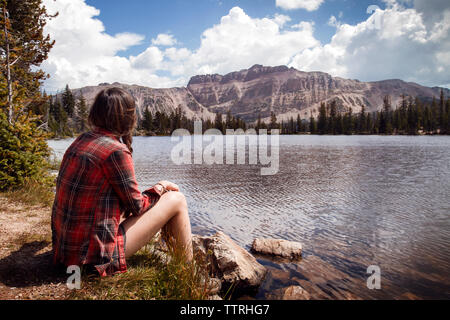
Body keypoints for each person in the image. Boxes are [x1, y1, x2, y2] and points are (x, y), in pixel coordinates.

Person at [51, 87, 193, 277]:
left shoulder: (82, 139)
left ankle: (178, 260)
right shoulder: (115, 150)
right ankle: (188, 272)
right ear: (128, 118)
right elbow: (137, 206)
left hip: (65, 254)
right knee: (177, 199)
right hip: (91, 260)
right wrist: (160, 186)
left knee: (163, 199)